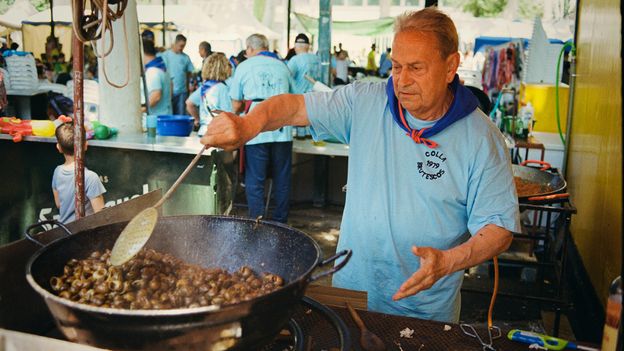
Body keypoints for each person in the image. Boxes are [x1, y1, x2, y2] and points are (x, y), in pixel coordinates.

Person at [200, 8, 519, 323]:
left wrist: (449, 261)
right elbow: (293, 106)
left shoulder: (481, 138)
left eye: (416, 68)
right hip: (351, 294)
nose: (402, 81)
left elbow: (498, 227)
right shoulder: (366, 102)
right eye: (396, 66)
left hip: (423, 307)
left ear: (451, 67)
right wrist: (248, 124)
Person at [228, 33, 293, 223]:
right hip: (282, 129)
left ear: (249, 49)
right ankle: (281, 222)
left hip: (256, 130)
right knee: (282, 179)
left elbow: (235, 104)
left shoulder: (244, 66)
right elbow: (295, 97)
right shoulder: (283, 66)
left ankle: (258, 222)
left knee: (255, 179)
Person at [52, 122, 106, 224]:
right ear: (85, 145)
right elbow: (101, 216)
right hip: (83, 233)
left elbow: (59, 204)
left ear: (58, 147)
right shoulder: (91, 177)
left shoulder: (57, 171)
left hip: (63, 231)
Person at [186, 52, 233, 135]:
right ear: (223, 68)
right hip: (217, 133)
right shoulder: (222, 88)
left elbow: (189, 103)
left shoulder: (205, 86)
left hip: (204, 131)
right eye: (228, 65)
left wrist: (198, 119)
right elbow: (228, 114)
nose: (231, 68)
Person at [160, 34, 195, 115]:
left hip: (182, 92)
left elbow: (190, 73)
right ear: (175, 43)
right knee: (169, 115)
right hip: (168, 91)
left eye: (184, 46)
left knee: (181, 115)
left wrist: (189, 86)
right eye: (181, 45)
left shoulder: (186, 57)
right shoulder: (165, 55)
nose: (182, 48)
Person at [142, 39, 172, 116]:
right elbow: (172, 85)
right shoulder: (162, 67)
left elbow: (156, 96)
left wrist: (140, 110)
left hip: (156, 119)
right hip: (164, 114)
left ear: (142, 52)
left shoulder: (152, 71)